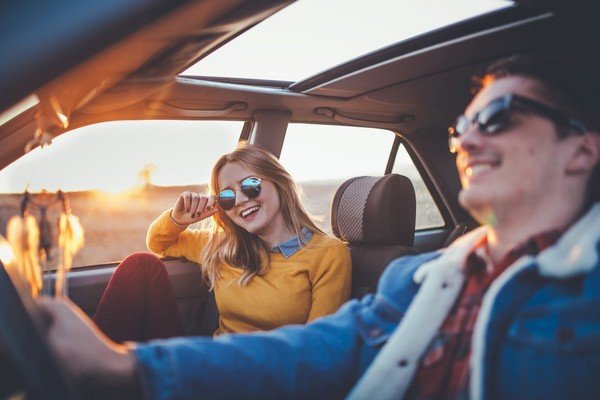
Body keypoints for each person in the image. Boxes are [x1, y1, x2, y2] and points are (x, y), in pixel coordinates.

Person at [41, 54, 600, 399]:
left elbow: (309, 357)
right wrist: (125, 365)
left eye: (496, 118)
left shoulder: (329, 255)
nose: (468, 140)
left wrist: (133, 368)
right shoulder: (421, 278)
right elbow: (330, 350)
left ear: (582, 149)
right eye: (461, 128)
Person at [92, 144, 352, 341]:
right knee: (142, 265)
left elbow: (318, 349)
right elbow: (159, 243)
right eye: (226, 197)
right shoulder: (223, 246)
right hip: (208, 366)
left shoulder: (327, 254)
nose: (239, 200)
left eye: (250, 185)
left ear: (279, 182)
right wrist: (178, 219)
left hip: (264, 381)